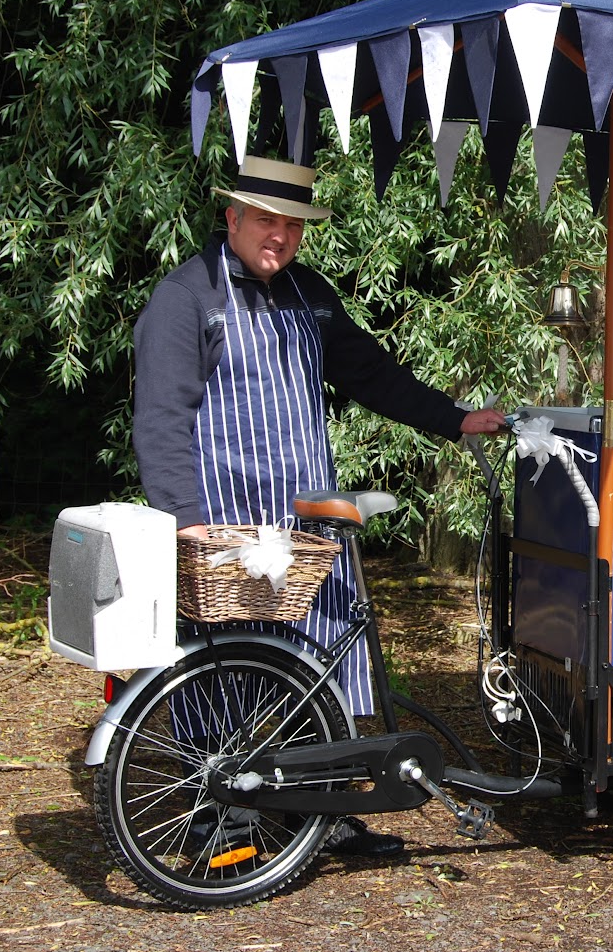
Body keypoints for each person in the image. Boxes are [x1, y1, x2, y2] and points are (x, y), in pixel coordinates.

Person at [133, 155, 505, 857]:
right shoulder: (186, 298)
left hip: (305, 521)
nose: (279, 235)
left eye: (292, 225)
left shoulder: (309, 293)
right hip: (227, 521)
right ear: (232, 219)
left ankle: (323, 811)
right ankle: (220, 819)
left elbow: (371, 373)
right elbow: (160, 417)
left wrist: (454, 418)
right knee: (223, 666)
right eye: (265, 220)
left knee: (321, 660)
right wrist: (184, 517)